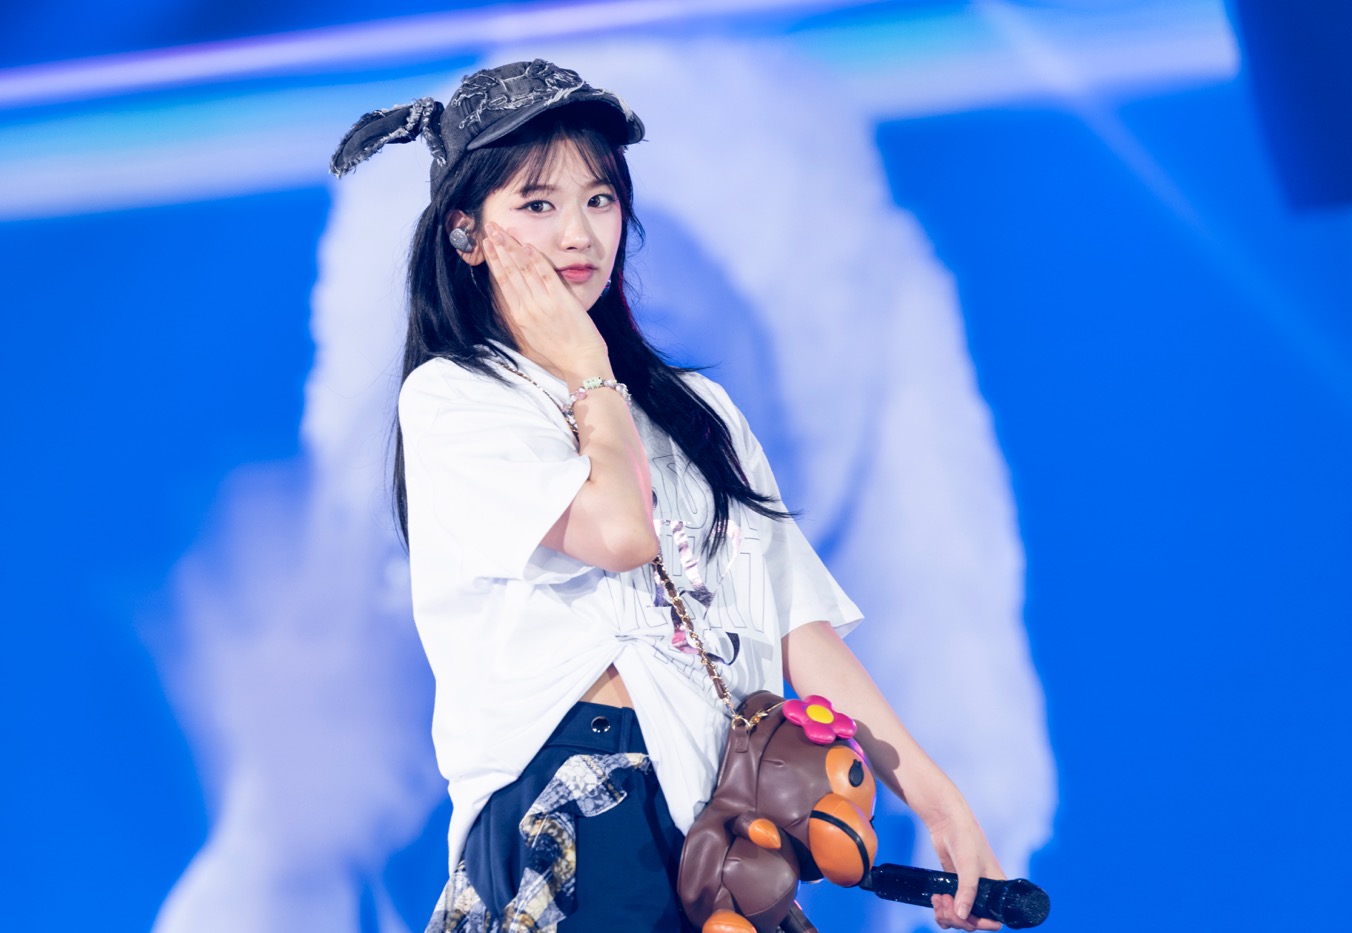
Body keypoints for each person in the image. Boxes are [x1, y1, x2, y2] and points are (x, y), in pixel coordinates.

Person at [331, 59, 1005, 933]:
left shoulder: (700, 412)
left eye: (600, 199)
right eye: (537, 204)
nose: (578, 232)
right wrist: (588, 370)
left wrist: (941, 802)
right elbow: (620, 532)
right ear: (467, 234)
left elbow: (797, 631)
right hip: (574, 804)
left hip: (718, 825)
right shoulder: (456, 398)